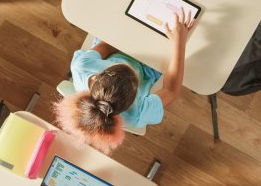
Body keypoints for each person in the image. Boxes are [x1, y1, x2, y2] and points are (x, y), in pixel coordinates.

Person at [54, 9, 195, 153]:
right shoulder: (138, 114)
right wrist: (180, 43)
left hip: (114, 48)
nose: (130, 68)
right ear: (134, 99)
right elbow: (171, 91)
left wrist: (134, 32)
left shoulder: (82, 67)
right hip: (147, 69)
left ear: (97, 76)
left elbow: (106, 46)